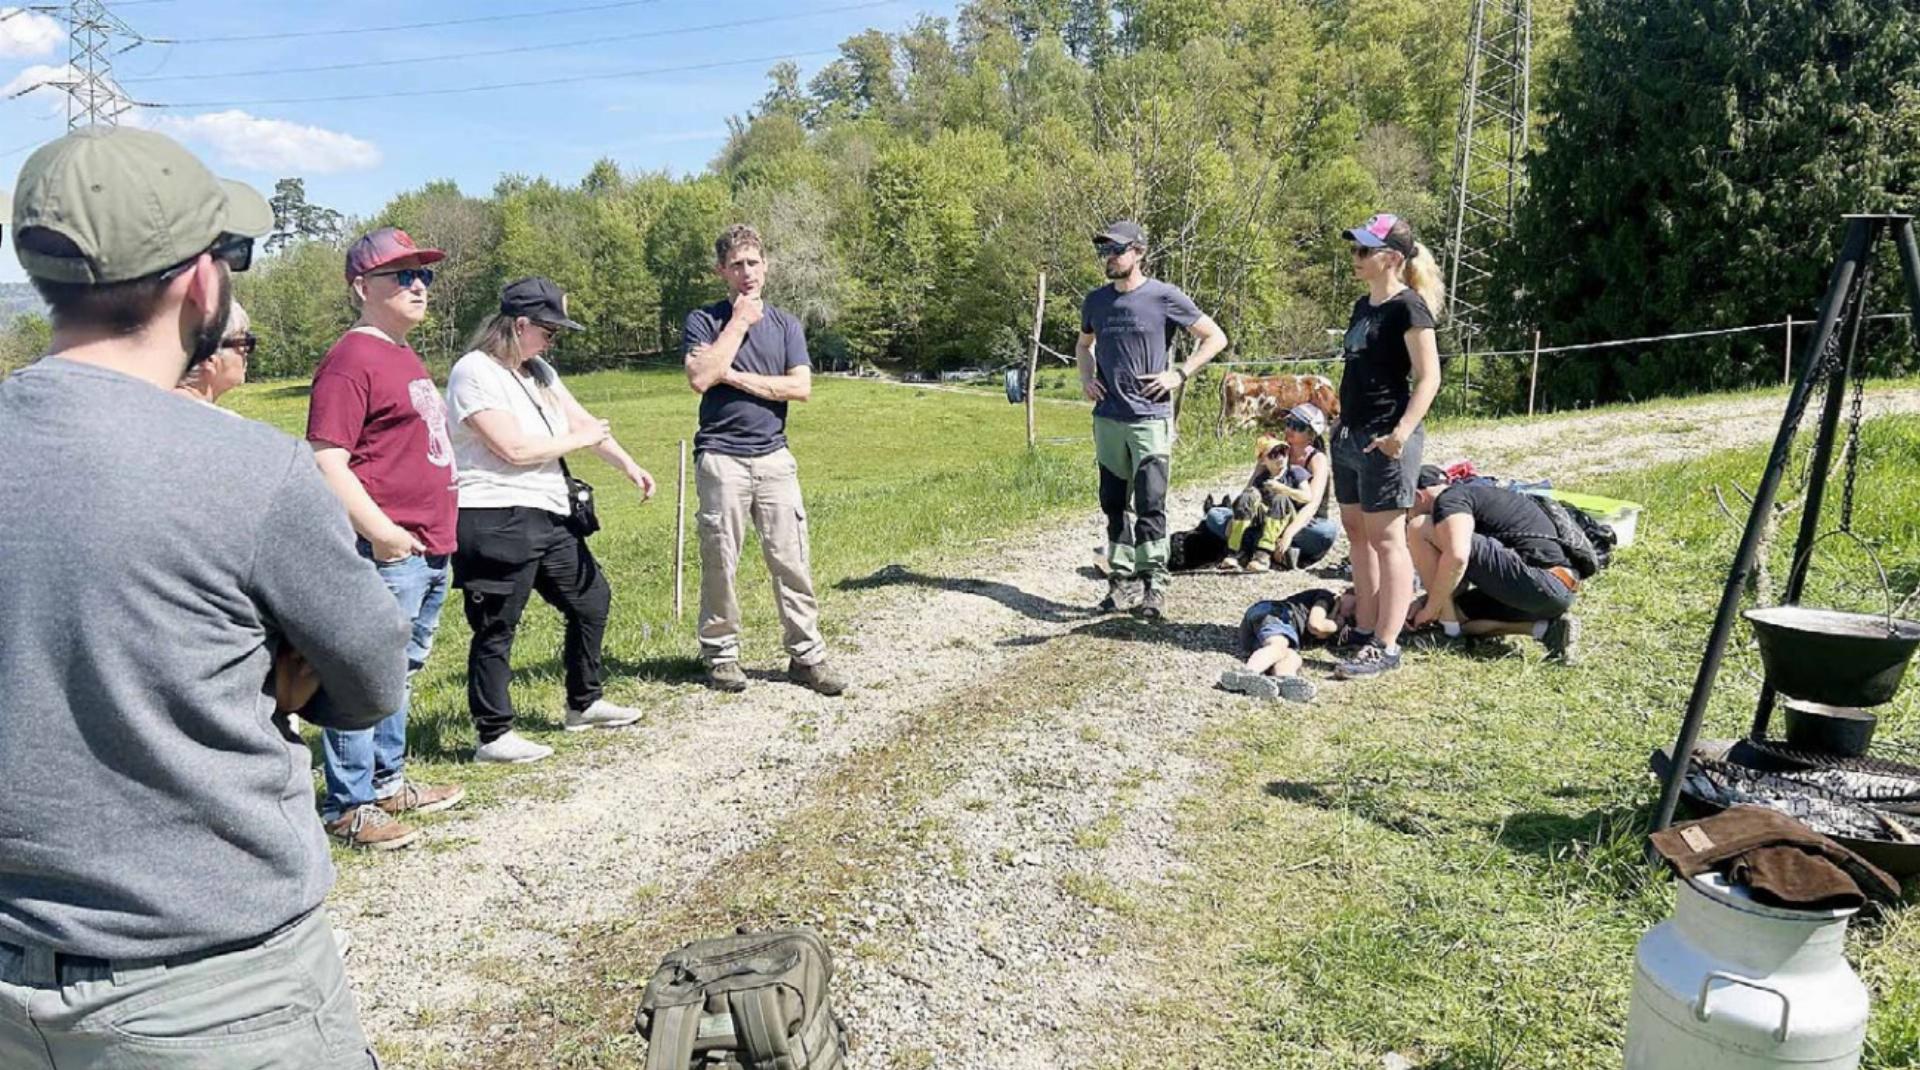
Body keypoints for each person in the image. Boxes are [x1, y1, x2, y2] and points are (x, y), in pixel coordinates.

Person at [0, 126, 401, 1068]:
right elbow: (374, 674)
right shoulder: (248, 469)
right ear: (198, 280)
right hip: (216, 987)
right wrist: (275, 679)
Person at [447, 277, 655, 764]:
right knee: (497, 625)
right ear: (519, 325)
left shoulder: (538, 371)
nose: (553, 340)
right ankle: (493, 735)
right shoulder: (472, 372)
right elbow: (514, 449)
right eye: (549, 330)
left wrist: (628, 465)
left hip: (548, 510)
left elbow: (584, 423)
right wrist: (578, 442)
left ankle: (583, 703)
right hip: (493, 513)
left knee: (591, 599)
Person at [305, 226, 465, 849]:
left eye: (422, 274)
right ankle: (348, 805)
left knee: (395, 673)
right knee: (360, 675)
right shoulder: (352, 359)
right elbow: (326, 459)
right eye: (401, 275)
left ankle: (388, 780)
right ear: (360, 287)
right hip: (388, 551)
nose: (418, 285)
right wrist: (381, 533)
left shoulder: (402, 352)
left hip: (429, 546)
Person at [684, 224, 846, 696]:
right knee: (720, 561)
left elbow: (801, 388)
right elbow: (699, 377)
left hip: (775, 457)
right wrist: (738, 324)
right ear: (722, 272)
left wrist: (731, 376)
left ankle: (806, 655)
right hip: (721, 458)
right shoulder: (705, 320)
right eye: (736, 264)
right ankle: (721, 656)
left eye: (753, 262)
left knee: (791, 559)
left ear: (766, 265)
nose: (747, 272)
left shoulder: (787, 325)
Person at [1077, 220, 1229, 619]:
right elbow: (1084, 343)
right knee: (1113, 502)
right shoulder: (1095, 301)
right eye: (1104, 252)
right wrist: (1086, 377)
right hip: (1108, 418)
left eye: (1116, 250)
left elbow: (1214, 337)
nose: (1108, 258)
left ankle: (1153, 585)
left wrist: (1178, 374)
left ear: (1139, 252)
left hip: (1149, 417)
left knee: (1150, 502)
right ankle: (1122, 582)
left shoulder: (1164, 297)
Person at [1328, 212, 1444, 680]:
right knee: (1357, 535)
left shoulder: (1409, 308)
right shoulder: (1363, 307)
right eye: (1354, 249)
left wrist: (1399, 434)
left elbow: (1429, 377)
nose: (1354, 258)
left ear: (1392, 258)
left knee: (1388, 539)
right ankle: (1365, 626)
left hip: (1385, 439)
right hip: (1350, 436)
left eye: (1363, 250)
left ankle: (1386, 643)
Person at [1407, 466, 1580, 661]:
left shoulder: (1450, 500)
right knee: (1457, 613)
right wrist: (1422, 603)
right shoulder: (1478, 494)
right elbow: (1457, 581)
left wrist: (1430, 609)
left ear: (1416, 496)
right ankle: (1547, 630)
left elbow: (1457, 558)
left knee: (1419, 528)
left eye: (1405, 508)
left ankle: (1448, 634)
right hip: (1558, 589)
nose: (1407, 515)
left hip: (1541, 582)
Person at [1220, 402, 1338, 573]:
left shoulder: (1316, 459)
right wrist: (1260, 466)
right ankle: (1269, 549)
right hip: (1267, 516)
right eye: (1288, 423)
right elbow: (1250, 490)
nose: (1289, 429)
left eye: (1297, 426)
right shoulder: (1278, 449)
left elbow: (1311, 504)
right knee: (1218, 517)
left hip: (1302, 522)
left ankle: (1254, 545)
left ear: (1311, 435)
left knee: (1326, 531)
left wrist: (1289, 533)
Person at [1218, 588, 1356, 702]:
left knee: (1292, 656)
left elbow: (1324, 635)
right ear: (1343, 595)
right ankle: (1245, 673)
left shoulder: (1344, 627)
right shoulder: (1326, 598)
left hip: (1259, 639)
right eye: (1355, 605)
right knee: (1279, 646)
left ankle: (1284, 680)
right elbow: (1316, 626)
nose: (1354, 612)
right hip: (1274, 614)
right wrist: (1337, 623)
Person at [174, 299, 254, 404]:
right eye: (243, 342)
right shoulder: (203, 418)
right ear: (209, 359)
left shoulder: (156, 405)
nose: (246, 352)